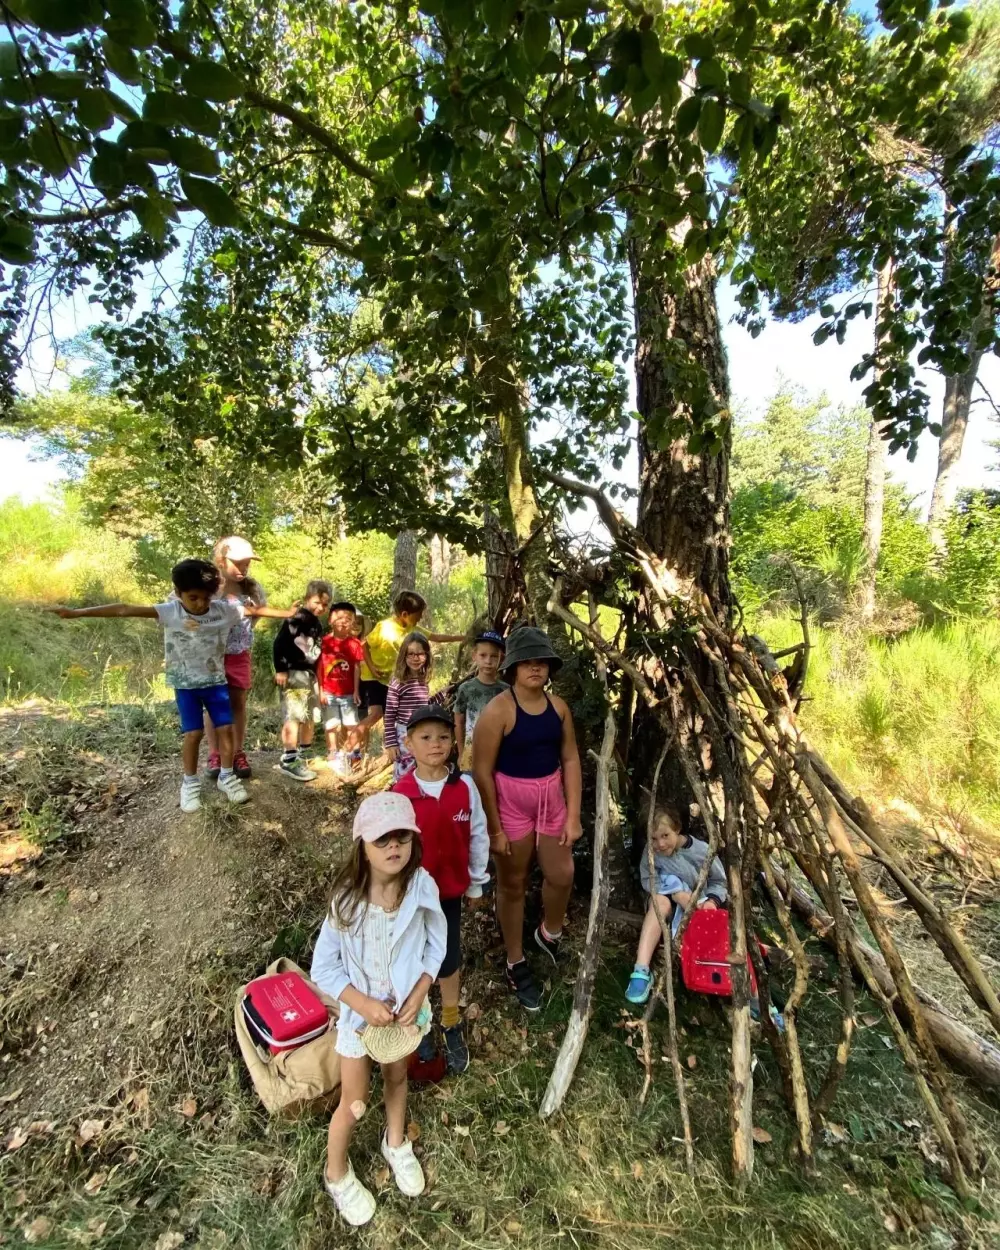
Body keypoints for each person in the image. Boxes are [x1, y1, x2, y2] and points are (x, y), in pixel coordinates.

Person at [49, 558, 293, 813]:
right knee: (193, 734)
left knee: (226, 729)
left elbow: (254, 611)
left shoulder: (221, 611)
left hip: (215, 683)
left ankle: (226, 776)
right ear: (178, 592)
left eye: (206, 598)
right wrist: (77, 613)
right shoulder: (170, 611)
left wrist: (288, 613)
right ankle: (189, 783)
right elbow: (124, 609)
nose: (200, 604)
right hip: (185, 685)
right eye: (193, 598)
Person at [310, 792, 446, 1227]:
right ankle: (336, 1173)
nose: (393, 847)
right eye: (382, 839)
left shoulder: (421, 887)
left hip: (404, 1016)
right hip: (358, 1021)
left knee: (397, 1075)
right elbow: (323, 967)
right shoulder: (347, 900)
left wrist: (421, 989)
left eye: (402, 837)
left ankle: (395, 1140)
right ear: (362, 846)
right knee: (354, 1101)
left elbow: (437, 942)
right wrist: (362, 1003)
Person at [472, 625, 583, 1013]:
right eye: (527, 662)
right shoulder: (498, 711)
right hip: (510, 804)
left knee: (562, 874)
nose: (535, 668)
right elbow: (481, 771)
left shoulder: (558, 708)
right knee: (513, 881)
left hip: (551, 800)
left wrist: (573, 815)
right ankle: (515, 959)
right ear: (513, 668)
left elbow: (570, 758)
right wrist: (494, 828)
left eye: (542, 662)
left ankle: (549, 932)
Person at [391, 705, 489, 1075]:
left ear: (453, 742)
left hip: (448, 895)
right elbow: (389, 848)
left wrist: (476, 882)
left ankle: (450, 1021)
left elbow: (477, 834)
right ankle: (419, 1021)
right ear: (409, 744)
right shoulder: (401, 793)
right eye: (426, 737)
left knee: (448, 957)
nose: (436, 744)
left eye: (444, 737)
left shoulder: (464, 787)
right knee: (412, 959)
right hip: (410, 898)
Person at [624, 801, 728, 1005]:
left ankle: (736, 987)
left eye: (665, 836)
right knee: (660, 903)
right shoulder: (651, 852)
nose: (660, 844)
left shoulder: (701, 850)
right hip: (668, 901)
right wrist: (674, 893)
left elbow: (719, 881)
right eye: (654, 838)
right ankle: (641, 970)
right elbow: (649, 879)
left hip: (699, 904)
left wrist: (712, 901)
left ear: (677, 829)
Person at [357, 590, 463, 754]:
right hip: (374, 678)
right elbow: (364, 644)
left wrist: (462, 637)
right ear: (405, 614)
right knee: (377, 714)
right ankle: (351, 747)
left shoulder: (412, 628)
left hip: (393, 678)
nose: (420, 618)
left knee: (392, 714)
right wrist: (371, 667)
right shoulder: (384, 627)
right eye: (418, 615)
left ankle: (373, 751)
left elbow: (436, 637)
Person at [204, 535, 267, 782]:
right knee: (213, 704)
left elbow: (258, 613)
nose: (243, 568)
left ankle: (238, 751)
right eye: (238, 563)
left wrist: (242, 636)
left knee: (238, 703)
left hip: (239, 653)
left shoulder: (252, 588)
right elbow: (184, 603)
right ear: (221, 561)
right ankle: (215, 753)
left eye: (247, 563)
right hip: (211, 655)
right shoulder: (207, 586)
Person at [272, 579, 333, 782]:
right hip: (294, 672)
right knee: (294, 714)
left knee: (309, 714)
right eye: (317, 602)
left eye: (325, 604)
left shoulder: (316, 624)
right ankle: (289, 758)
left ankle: (305, 751)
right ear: (307, 598)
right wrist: (281, 669)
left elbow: (315, 652)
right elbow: (279, 643)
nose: (320, 607)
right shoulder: (296, 618)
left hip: (309, 674)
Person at [318, 600, 364, 777]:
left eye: (348, 618)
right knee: (331, 724)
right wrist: (321, 690)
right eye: (339, 617)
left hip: (348, 692)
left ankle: (354, 752)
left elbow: (357, 668)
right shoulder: (324, 642)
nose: (344, 621)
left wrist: (356, 690)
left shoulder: (354, 643)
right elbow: (320, 667)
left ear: (353, 622)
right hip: (329, 691)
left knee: (351, 723)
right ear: (330, 620)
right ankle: (332, 751)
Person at [383, 632, 434, 781]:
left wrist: (442, 694)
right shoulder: (398, 682)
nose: (415, 658)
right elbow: (389, 715)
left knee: (420, 768)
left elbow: (424, 706)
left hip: (422, 730)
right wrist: (391, 743)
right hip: (404, 733)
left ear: (427, 656)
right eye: (410, 654)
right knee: (404, 772)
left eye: (420, 654)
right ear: (403, 656)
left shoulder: (422, 679)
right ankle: (401, 792)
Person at [453, 630, 507, 768]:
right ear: (474, 656)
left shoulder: (506, 691)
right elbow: (458, 721)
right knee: (470, 781)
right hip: (471, 753)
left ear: (501, 658)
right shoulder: (466, 689)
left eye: (494, 656)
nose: (488, 661)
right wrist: (461, 752)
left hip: (500, 754)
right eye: (483, 655)